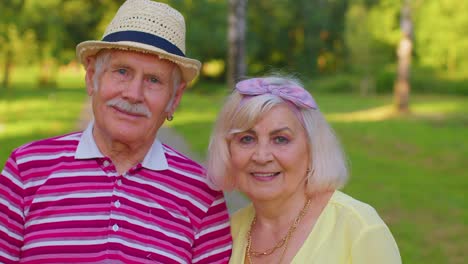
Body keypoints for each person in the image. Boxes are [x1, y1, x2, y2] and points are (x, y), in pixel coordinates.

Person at [0, 0, 232, 263]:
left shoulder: (201, 193)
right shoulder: (26, 169)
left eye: (154, 80)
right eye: (122, 71)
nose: (133, 94)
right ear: (92, 78)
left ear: (174, 98)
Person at [207, 75, 401, 263]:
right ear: (227, 149)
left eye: (280, 139)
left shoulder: (358, 228)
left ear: (312, 148)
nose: (262, 156)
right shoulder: (227, 233)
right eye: (247, 139)